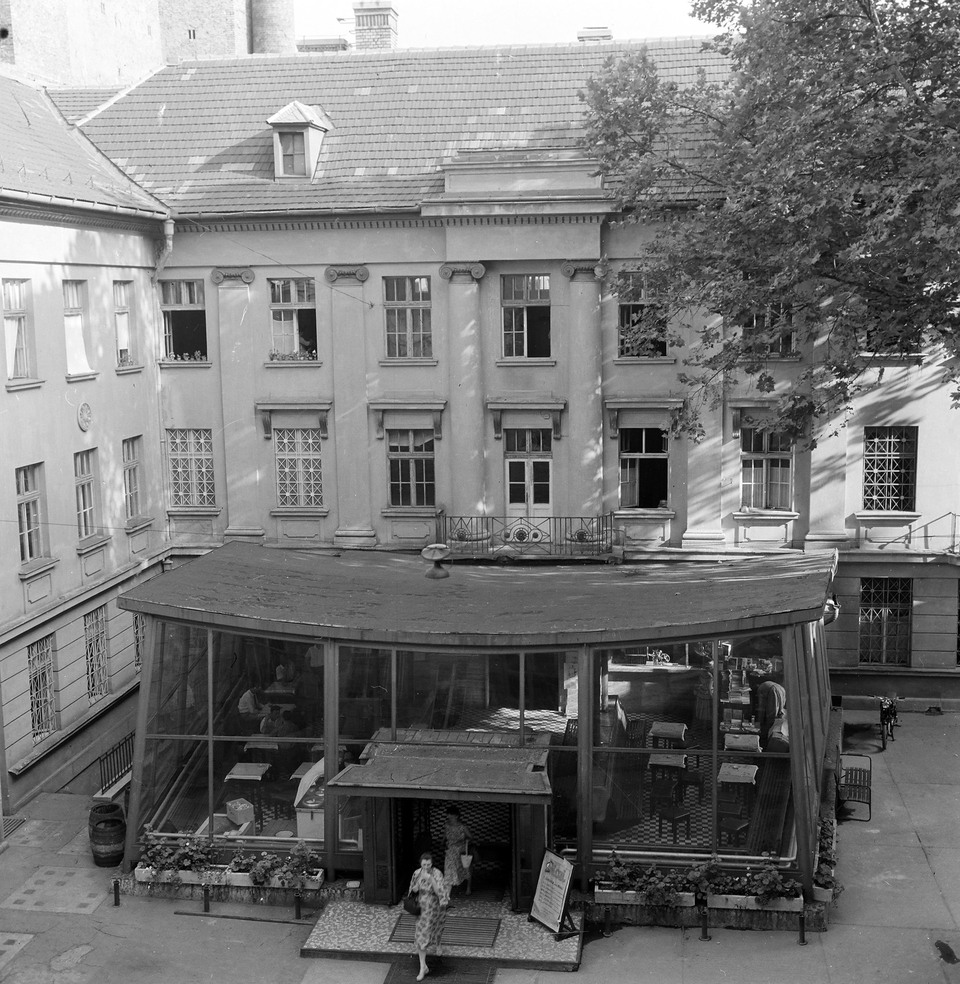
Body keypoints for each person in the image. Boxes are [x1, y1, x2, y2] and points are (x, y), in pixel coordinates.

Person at [407, 851, 449, 981]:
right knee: (421, 937)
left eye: (428, 864)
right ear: (420, 863)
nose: (426, 867)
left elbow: (440, 892)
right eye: (424, 864)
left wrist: (431, 880)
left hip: (435, 907)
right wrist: (416, 886)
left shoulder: (437, 874)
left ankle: (438, 943)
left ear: (432, 864)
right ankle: (422, 967)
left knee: (437, 927)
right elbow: (412, 890)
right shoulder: (416, 873)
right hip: (422, 909)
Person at [442, 805, 472, 895]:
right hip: (450, 850)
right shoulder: (447, 825)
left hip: (461, 851)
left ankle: (468, 888)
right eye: (448, 814)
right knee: (449, 869)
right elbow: (445, 835)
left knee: (465, 868)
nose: (448, 816)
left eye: (451, 814)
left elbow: (470, 837)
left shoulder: (462, 827)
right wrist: (442, 842)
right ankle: (448, 891)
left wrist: (464, 841)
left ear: (456, 816)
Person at [757, 680, 787, 750]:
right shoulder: (778, 688)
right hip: (775, 688)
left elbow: (766, 711)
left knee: (771, 713)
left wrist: (760, 722)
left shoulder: (769, 690)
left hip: (772, 689)